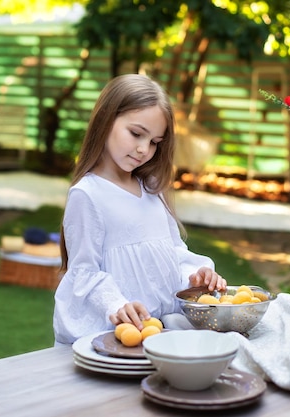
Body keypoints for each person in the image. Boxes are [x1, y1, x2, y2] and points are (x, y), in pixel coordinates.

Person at [53, 74, 226, 344]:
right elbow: (83, 272)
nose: (144, 149)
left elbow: (171, 254)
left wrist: (195, 276)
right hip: (113, 335)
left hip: (158, 332)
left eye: (155, 142)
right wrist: (116, 305)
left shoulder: (151, 188)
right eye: (136, 134)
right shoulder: (88, 194)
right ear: (106, 120)